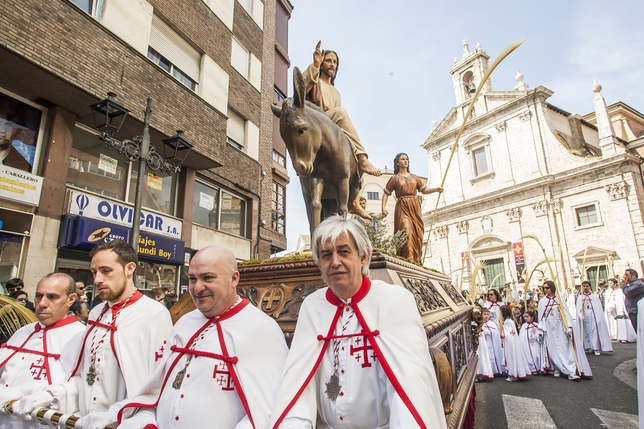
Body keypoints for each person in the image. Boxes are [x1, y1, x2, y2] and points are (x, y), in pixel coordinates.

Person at [270, 216, 446, 429]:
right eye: (326, 255)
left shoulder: (395, 301)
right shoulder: (311, 306)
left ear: (363, 256)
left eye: (343, 252)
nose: (335, 262)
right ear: (319, 264)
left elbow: (410, 387)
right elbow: (299, 383)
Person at [117, 246, 288, 428]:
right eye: (192, 279)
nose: (197, 288)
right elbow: (154, 394)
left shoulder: (261, 330)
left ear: (234, 279)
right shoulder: (183, 323)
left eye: (208, 278)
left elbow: (267, 412)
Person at [12, 240, 173, 426]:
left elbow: (154, 385)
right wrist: (51, 394)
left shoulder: (154, 313)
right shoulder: (97, 312)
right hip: (85, 422)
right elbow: (88, 375)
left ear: (129, 269)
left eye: (106, 271)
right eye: (94, 272)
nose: (97, 280)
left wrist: (116, 416)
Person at [303, 41, 380, 219]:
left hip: (331, 128)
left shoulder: (336, 92)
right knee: (342, 113)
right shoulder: (315, 82)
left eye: (335, 62)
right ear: (322, 63)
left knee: (347, 147)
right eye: (328, 60)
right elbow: (304, 85)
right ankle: (363, 158)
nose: (332, 64)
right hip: (316, 121)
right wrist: (314, 64)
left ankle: (354, 196)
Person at [0, 273, 85, 413]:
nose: (42, 303)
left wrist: (50, 396)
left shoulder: (81, 336)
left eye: (52, 297)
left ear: (71, 299)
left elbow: (87, 387)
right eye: (39, 296)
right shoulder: (23, 331)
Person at [381, 153, 442, 263]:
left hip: (415, 207)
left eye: (407, 159)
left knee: (416, 234)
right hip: (402, 207)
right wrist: (383, 207)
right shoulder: (394, 178)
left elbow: (423, 190)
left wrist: (436, 189)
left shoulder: (415, 177)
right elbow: (386, 193)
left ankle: (416, 259)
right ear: (397, 162)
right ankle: (408, 260)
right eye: (402, 159)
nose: (405, 161)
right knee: (406, 230)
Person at [538, 280, 591, 380]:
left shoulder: (559, 300)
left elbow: (566, 314)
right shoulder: (542, 301)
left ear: (552, 288)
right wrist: (541, 329)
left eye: (547, 288)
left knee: (565, 347)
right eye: (544, 288)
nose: (545, 290)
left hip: (559, 326)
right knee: (553, 349)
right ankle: (557, 368)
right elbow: (541, 317)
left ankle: (571, 371)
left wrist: (569, 327)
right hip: (549, 327)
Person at [576, 280, 612, 355]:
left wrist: (597, 317)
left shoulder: (594, 297)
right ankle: (587, 346)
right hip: (585, 315)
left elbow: (597, 308)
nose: (585, 288)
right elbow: (578, 308)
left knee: (594, 331)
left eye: (587, 286)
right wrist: (580, 315)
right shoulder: (580, 297)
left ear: (589, 287)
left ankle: (596, 347)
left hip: (593, 316)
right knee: (586, 331)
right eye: (584, 286)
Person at [500, 305, 530, 382]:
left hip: (510, 341)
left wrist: (504, 335)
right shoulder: (509, 320)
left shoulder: (508, 321)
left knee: (511, 356)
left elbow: (511, 332)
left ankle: (513, 374)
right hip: (511, 340)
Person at [604, 278, 636, 343]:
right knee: (612, 322)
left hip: (619, 309)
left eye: (611, 283)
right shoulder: (608, 291)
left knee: (621, 321)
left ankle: (623, 336)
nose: (610, 285)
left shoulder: (620, 291)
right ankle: (614, 335)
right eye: (609, 283)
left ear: (615, 283)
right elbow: (607, 301)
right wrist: (609, 306)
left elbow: (622, 301)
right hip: (611, 310)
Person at [478, 308, 505, 377]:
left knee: (491, 356)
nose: (486, 316)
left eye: (487, 314)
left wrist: (489, 332)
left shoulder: (492, 324)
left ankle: (492, 370)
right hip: (482, 343)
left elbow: (496, 333)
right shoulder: (478, 324)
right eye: (484, 314)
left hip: (491, 343)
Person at [519, 311, 544, 375]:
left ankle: (537, 368)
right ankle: (531, 369)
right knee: (528, 356)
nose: (525, 318)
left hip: (535, 344)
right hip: (526, 344)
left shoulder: (536, 325)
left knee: (536, 355)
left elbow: (539, 333)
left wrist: (539, 336)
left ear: (532, 317)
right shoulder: (524, 326)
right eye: (524, 317)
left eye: (527, 317)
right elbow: (522, 336)